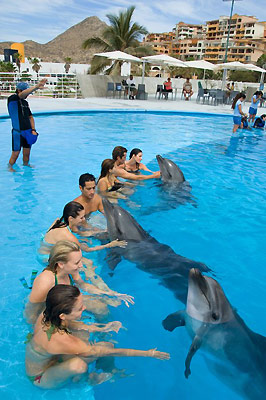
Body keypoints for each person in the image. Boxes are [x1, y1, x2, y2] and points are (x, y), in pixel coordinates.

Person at [25, 284, 170, 389]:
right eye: (80, 308)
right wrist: (147, 353)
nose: (85, 308)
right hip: (40, 377)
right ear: (63, 315)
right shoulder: (59, 339)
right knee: (82, 364)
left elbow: (72, 324)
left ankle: (91, 372)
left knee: (86, 337)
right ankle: (84, 382)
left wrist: (104, 327)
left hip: (49, 359)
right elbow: (110, 352)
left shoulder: (48, 313)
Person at [26, 241, 134, 323]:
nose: (81, 265)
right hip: (52, 311)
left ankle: (103, 335)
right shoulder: (45, 282)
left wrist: (111, 294)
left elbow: (83, 285)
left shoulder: (70, 270)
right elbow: (32, 312)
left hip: (68, 302)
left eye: (80, 260)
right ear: (61, 264)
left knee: (102, 309)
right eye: (77, 262)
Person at [7, 79, 47, 171]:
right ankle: (10, 167)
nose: (27, 95)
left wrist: (33, 129)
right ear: (19, 90)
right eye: (26, 92)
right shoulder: (13, 99)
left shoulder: (25, 103)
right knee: (15, 153)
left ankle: (26, 165)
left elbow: (30, 117)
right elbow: (21, 95)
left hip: (28, 131)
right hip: (18, 132)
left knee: (27, 153)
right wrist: (36, 87)